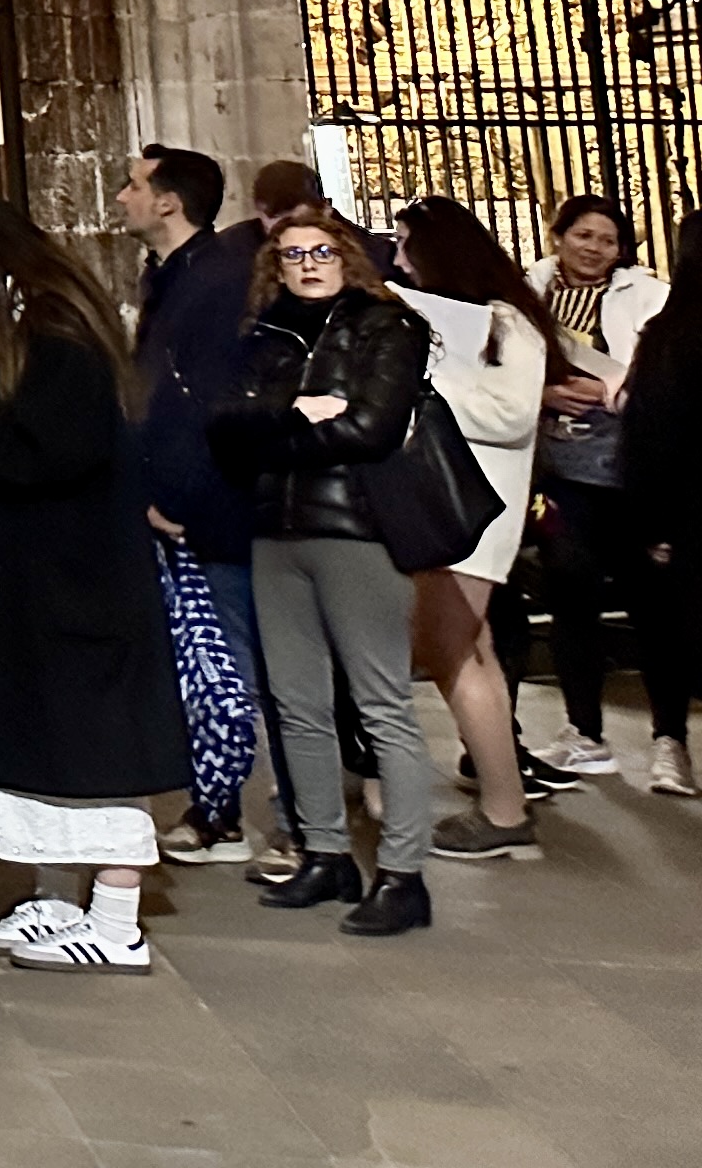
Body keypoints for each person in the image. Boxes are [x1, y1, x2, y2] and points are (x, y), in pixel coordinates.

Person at [0, 193, 189, 973]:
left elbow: (55, 450)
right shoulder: (25, 329)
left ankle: (115, 920)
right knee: (43, 749)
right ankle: (55, 893)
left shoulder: (58, 332)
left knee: (95, 753)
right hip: (35, 581)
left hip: (78, 581)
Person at [210, 199, 439, 936]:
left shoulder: (388, 325)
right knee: (295, 703)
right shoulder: (263, 332)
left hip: (356, 527)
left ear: (348, 258)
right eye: (292, 254)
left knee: (381, 705)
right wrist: (293, 417)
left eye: (321, 252)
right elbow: (223, 428)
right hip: (273, 529)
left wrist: (273, 433)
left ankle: (403, 874)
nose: (307, 265)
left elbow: (372, 429)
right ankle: (326, 853)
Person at [117, 142, 271, 864]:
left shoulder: (212, 281)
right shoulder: (171, 274)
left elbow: (203, 403)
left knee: (230, 664)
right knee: (205, 660)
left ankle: (233, 813)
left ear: (168, 202)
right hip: (181, 500)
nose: (123, 197)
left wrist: (179, 497)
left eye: (133, 185)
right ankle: (215, 804)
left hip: (211, 506)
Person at [390, 196, 553, 858]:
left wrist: (424, 382)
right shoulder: (459, 321)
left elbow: (511, 414)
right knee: (464, 650)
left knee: (454, 652)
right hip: (450, 507)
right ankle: (502, 799)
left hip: (475, 514)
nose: (398, 259)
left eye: (406, 245)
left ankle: (504, 810)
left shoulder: (506, 324)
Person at [528, 191, 672, 779]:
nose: (594, 248)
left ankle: (669, 739)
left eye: (608, 240)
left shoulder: (649, 295)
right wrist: (542, 393)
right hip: (559, 472)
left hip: (630, 469)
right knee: (570, 594)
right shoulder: (529, 290)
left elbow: (663, 373)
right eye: (583, 235)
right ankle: (584, 731)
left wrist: (614, 390)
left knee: (652, 604)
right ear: (559, 235)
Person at [617, 206, 702, 797]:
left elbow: (649, 432)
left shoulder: (668, 333)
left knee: (669, 629)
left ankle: (671, 744)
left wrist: (652, 522)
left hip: (684, 507)